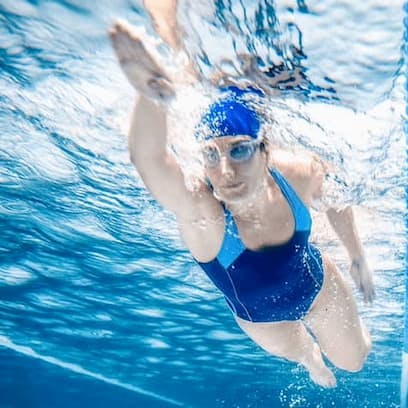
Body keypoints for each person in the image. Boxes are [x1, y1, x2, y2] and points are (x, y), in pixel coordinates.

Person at [108, 6, 374, 388]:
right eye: (211, 155)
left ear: (265, 151)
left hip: (318, 287)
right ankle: (310, 359)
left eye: (239, 150)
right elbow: (149, 159)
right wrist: (152, 93)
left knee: (355, 361)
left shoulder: (293, 172)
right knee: (304, 354)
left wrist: (357, 255)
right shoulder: (204, 214)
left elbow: (334, 195)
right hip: (264, 321)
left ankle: (326, 348)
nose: (225, 172)